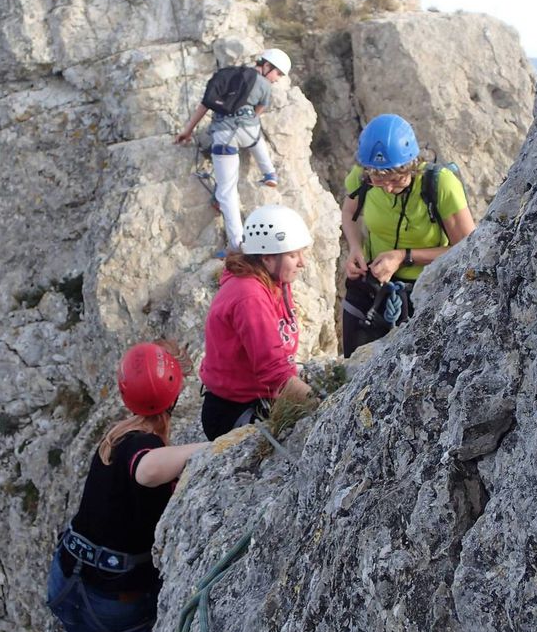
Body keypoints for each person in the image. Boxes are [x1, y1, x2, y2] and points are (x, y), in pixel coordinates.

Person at [47, 341, 209, 632]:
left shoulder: (116, 436)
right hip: (116, 596)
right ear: (174, 399)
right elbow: (146, 469)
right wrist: (213, 448)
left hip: (66, 575)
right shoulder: (143, 444)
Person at [341, 114, 476, 357]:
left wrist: (404, 256)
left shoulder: (440, 183)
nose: (389, 187)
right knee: (354, 368)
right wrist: (355, 248)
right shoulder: (362, 177)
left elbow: (470, 247)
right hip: (371, 286)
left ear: (413, 165)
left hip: (423, 293)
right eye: (379, 180)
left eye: (396, 179)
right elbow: (350, 212)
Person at [199, 204, 316, 440]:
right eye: (294, 255)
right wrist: (321, 405)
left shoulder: (274, 281)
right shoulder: (249, 296)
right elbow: (274, 373)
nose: (302, 262)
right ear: (267, 258)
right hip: (235, 410)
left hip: (259, 397)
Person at [174, 49, 292, 257]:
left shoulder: (227, 77)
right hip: (248, 133)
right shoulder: (264, 85)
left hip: (223, 137)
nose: (277, 79)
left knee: (227, 192)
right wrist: (248, 119)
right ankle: (270, 173)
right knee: (255, 137)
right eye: (278, 74)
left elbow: (204, 105)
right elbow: (260, 109)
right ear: (267, 67)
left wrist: (188, 130)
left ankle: (236, 244)